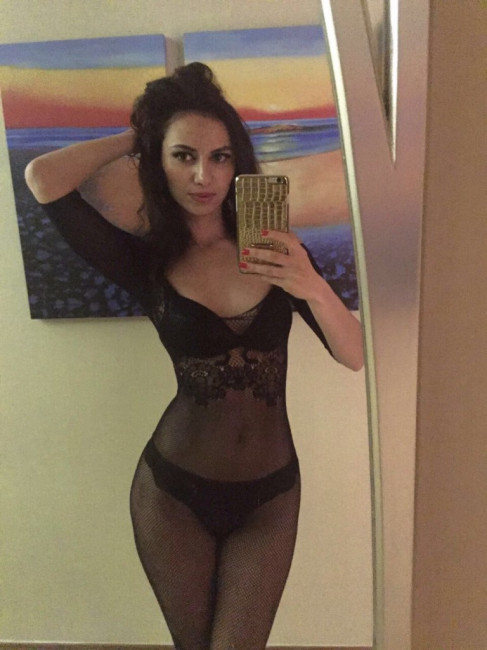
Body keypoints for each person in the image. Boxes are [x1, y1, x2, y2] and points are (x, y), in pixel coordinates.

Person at [25, 62, 363, 650]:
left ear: (237, 164)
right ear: (158, 161)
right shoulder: (146, 262)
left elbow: (354, 356)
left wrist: (309, 284)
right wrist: (138, 134)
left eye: (220, 157)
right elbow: (42, 177)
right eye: (183, 156)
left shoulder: (274, 250)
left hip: (271, 498)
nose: (204, 175)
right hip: (173, 494)